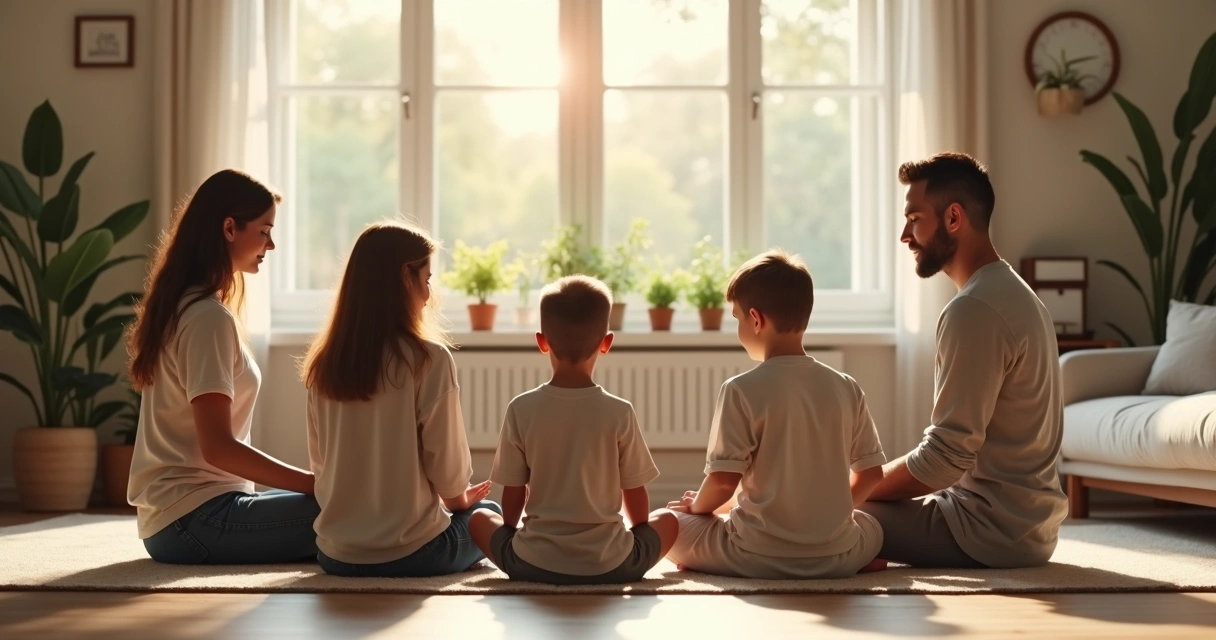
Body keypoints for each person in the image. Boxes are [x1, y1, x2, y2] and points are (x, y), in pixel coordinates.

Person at [858, 152, 1068, 568]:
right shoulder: (1011, 292)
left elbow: (944, 461)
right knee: (823, 508)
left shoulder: (974, 308)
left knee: (809, 517)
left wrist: (847, 489)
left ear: (953, 218)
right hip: (1028, 526)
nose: (905, 234)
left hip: (988, 532)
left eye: (914, 218)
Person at [126, 169, 319, 564]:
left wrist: (315, 487)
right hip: (193, 521)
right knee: (359, 512)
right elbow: (219, 448)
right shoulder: (206, 318)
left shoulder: (187, 306)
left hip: (185, 517)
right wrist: (315, 485)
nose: (272, 244)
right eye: (264, 231)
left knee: (354, 505)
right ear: (230, 228)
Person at [664, 249, 888, 579]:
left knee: (666, 524)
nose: (739, 326)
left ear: (756, 320)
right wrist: (834, 518)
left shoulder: (740, 390)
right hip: (837, 554)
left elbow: (724, 483)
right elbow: (871, 475)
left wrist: (696, 507)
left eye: (737, 318)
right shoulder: (846, 386)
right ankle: (856, 559)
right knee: (872, 525)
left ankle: (706, 560)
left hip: (754, 556)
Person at [302, 221, 499, 578]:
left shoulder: (323, 364)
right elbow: (449, 476)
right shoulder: (429, 359)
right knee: (489, 513)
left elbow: (321, 468)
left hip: (335, 555)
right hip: (414, 553)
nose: (427, 296)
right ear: (404, 278)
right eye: (425, 280)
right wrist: (460, 500)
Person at [467, 276, 679, 584]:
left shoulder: (521, 408)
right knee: (670, 520)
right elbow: (635, 493)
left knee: (479, 519)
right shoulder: (620, 411)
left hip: (531, 562)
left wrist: (511, 532)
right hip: (611, 564)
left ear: (542, 341)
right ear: (606, 343)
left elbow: (513, 493)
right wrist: (639, 531)